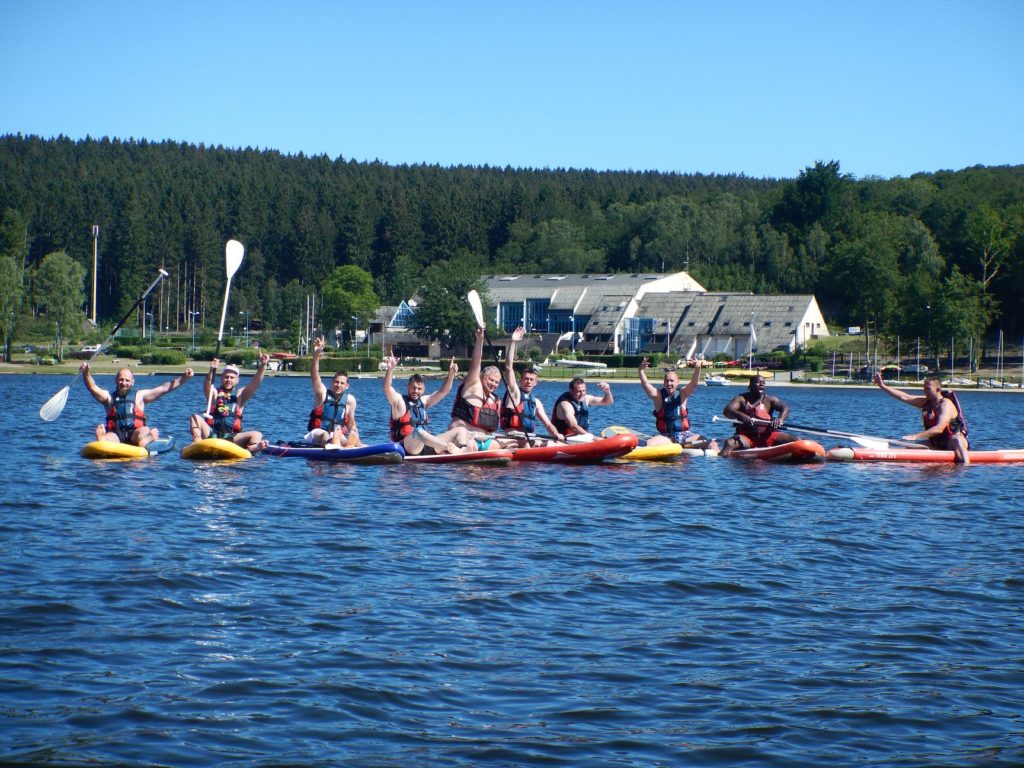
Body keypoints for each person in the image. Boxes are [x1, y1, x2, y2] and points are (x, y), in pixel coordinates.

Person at [80, 362, 194, 447]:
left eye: (127, 380)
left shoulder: (140, 396)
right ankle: (103, 439)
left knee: (144, 430)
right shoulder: (109, 397)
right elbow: (93, 387)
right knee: (109, 437)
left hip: (135, 434)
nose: (124, 383)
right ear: (116, 380)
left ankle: (147, 439)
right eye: (121, 380)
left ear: (132, 382)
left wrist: (184, 378)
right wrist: (86, 374)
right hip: (116, 434)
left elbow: (164, 388)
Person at [383, 355, 474, 455]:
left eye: (419, 389)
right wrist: (390, 369)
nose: (416, 391)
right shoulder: (399, 402)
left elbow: (444, 391)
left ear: (424, 390)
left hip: (426, 446)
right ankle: (449, 447)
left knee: (460, 430)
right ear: (407, 387)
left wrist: (451, 374)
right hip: (408, 447)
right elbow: (387, 388)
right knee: (419, 431)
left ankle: (462, 450)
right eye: (413, 388)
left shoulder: (424, 401)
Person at [873, 372, 970, 464]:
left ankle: (965, 467)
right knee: (909, 447)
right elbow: (904, 397)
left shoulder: (945, 405)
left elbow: (939, 429)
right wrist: (882, 386)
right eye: (924, 388)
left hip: (951, 441)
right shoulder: (926, 402)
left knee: (957, 441)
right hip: (936, 443)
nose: (925, 391)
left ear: (938, 389)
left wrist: (915, 436)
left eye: (928, 389)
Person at [189, 354, 270, 452]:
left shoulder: (240, 396)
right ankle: (197, 441)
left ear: (237, 380)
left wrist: (262, 365)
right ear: (222, 378)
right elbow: (207, 385)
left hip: (232, 438)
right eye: (226, 377)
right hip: (212, 434)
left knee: (257, 434)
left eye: (232, 377)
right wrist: (212, 370)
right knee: (195, 417)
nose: (229, 380)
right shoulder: (214, 393)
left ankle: (252, 448)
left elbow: (255, 383)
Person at [500, 326, 564, 445]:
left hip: (528, 437)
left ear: (535, 383)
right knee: (527, 444)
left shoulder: (536, 402)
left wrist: (556, 434)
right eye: (526, 379)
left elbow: (548, 424)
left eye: (531, 380)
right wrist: (513, 342)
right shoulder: (514, 392)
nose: (528, 382)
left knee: (553, 444)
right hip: (512, 436)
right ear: (521, 380)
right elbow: (508, 368)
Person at [638, 358, 717, 450]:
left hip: (685, 437)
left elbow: (694, 384)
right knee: (650, 443)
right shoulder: (658, 396)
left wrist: (698, 369)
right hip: (666, 437)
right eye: (667, 381)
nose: (669, 383)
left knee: (712, 444)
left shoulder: (683, 394)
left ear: (677, 382)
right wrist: (640, 370)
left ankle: (720, 458)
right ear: (664, 383)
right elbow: (646, 384)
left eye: (672, 381)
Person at [448, 326, 503, 449]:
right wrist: (480, 340)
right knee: (472, 446)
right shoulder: (473, 385)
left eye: (496, 382)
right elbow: (475, 363)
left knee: (512, 444)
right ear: (482, 377)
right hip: (463, 436)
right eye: (490, 380)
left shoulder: (494, 400)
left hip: (483, 438)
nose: (493, 384)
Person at [720, 374, 797, 456]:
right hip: (747, 437)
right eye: (758, 382)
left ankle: (800, 457)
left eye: (763, 383)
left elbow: (785, 408)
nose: (761, 384)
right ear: (750, 385)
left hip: (768, 436)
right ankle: (722, 458)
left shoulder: (770, 400)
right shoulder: (741, 399)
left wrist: (780, 419)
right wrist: (741, 415)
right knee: (729, 442)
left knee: (795, 439)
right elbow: (727, 410)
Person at [305, 335, 361, 447]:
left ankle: (347, 444)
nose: (338, 385)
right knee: (326, 435)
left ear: (347, 386)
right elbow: (314, 375)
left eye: (342, 383)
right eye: (336, 382)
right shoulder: (322, 393)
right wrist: (316, 355)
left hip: (337, 433)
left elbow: (351, 423)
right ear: (332, 382)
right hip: (317, 433)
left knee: (347, 438)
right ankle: (334, 443)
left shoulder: (350, 400)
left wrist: (356, 436)